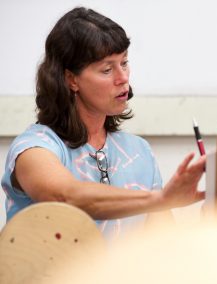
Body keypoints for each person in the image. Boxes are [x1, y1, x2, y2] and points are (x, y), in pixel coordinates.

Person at [1, 7, 206, 240]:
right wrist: (159, 199)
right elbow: (65, 196)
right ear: (71, 79)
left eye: (125, 63)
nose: (123, 77)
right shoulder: (34, 149)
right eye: (107, 69)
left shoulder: (139, 151)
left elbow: (163, 246)